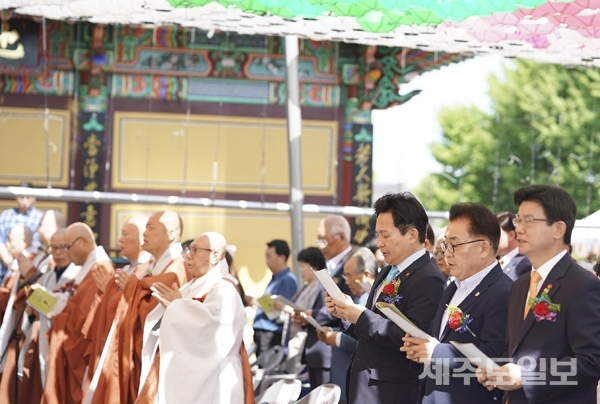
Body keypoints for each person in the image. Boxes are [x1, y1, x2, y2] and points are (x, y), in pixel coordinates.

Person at [477, 185, 600, 404]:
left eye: (529, 221)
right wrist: (497, 372)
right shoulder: (520, 285)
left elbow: (590, 361)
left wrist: (527, 376)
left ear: (558, 229)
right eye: (518, 220)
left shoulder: (583, 285)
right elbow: (513, 349)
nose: (519, 229)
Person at [326, 192, 445, 404]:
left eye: (385, 235)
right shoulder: (387, 271)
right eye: (377, 234)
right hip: (365, 385)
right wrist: (346, 314)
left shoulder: (429, 278)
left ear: (411, 235)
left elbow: (412, 338)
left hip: (390, 392)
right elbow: (370, 330)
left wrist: (360, 316)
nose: (379, 243)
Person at [401, 203, 513, 403]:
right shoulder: (454, 286)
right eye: (445, 245)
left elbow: (494, 357)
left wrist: (436, 352)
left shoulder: (503, 292)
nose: (447, 253)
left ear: (483, 248)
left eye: (454, 244)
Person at [140, 232, 247, 403]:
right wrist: (177, 307)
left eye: (195, 250)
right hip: (193, 376)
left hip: (216, 376)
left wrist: (178, 307)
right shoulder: (191, 287)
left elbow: (214, 331)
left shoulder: (225, 289)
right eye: (189, 249)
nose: (188, 254)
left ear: (215, 256)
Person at [116, 210, 188, 404]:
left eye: (151, 228)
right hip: (143, 351)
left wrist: (131, 287)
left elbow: (153, 309)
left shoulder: (177, 268)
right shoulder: (157, 265)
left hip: (159, 352)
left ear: (171, 235)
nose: (145, 233)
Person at [42, 222, 114, 404]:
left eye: (67, 246)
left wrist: (60, 315)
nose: (65, 253)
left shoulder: (100, 268)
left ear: (83, 242)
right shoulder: (89, 267)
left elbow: (86, 319)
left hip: (83, 352)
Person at [82, 215, 151, 403]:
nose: (119, 240)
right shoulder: (128, 269)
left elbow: (140, 310)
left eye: (124, 234)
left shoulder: (149, 272)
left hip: (128, 355)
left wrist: (109, 291)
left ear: (143, 238)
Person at [22, 229, 79, 401]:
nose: (58, 252)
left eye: (63, 247)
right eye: (53, 248)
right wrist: (31, 313)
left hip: (65, 341)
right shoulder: (45, 276)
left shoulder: (78, 274)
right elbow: (33, 317)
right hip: (45, 339)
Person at [317, 246, 377, 403]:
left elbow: (365, 335)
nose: (347, 282)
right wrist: (332, 330)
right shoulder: (359, 297)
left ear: (366, 274)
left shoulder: (370, 299)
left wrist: (335, 338)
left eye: (350, 276)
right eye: (345, 276)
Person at [288, 247, 329, 389]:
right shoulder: (307, 287)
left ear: (313, 266)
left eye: (302, 266)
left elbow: (327, 313)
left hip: (321, 346)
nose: (300, 270)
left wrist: (307, 315)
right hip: (310, 348)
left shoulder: (322, 286)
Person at [250, 239, 298, 357]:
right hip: (264, 332)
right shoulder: (275, 278)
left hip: (272, 333)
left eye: (269, 257)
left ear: (282, 258)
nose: (267, 261)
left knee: (266, 370)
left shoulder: (287, 280)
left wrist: (255, 303)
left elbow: (281, 309)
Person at [0, 183, 43, 281]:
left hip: (27, 267)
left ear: (34, 198)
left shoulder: (39, 217)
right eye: (21, 197)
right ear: (16, 197)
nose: (24, 201)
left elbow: (36, 245)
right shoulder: (6, 216)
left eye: (28, 197)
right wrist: (7, 259)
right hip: (4, 267)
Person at [496, 211, 531, 281]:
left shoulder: (524, 265)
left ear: (511, 235)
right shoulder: (500, 261)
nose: (490, 240)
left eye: (496, 234)